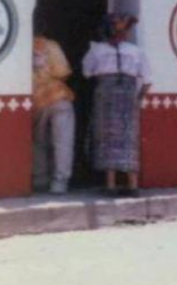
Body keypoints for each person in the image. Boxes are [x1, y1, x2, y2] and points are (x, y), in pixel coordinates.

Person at [83, 13, 151, 197]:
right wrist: (137, 100)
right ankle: (132, 185)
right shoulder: (137, 51)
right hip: (129, 96)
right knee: (129, 137)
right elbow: (147, 81)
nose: (127, 33)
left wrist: (105, 80)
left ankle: (111, 185)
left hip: (105, 96)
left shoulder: (96, 50)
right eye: (125, 29)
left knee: (107, 137)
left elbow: (87, 72)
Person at [31, 11, 76, 195]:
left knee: (38, 142)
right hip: (59, 98)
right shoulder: (52, 45)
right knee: (62, 142)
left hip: (36, 101)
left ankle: (40, 179)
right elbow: (63, 72)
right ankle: (60, 183)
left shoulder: (19, 48)